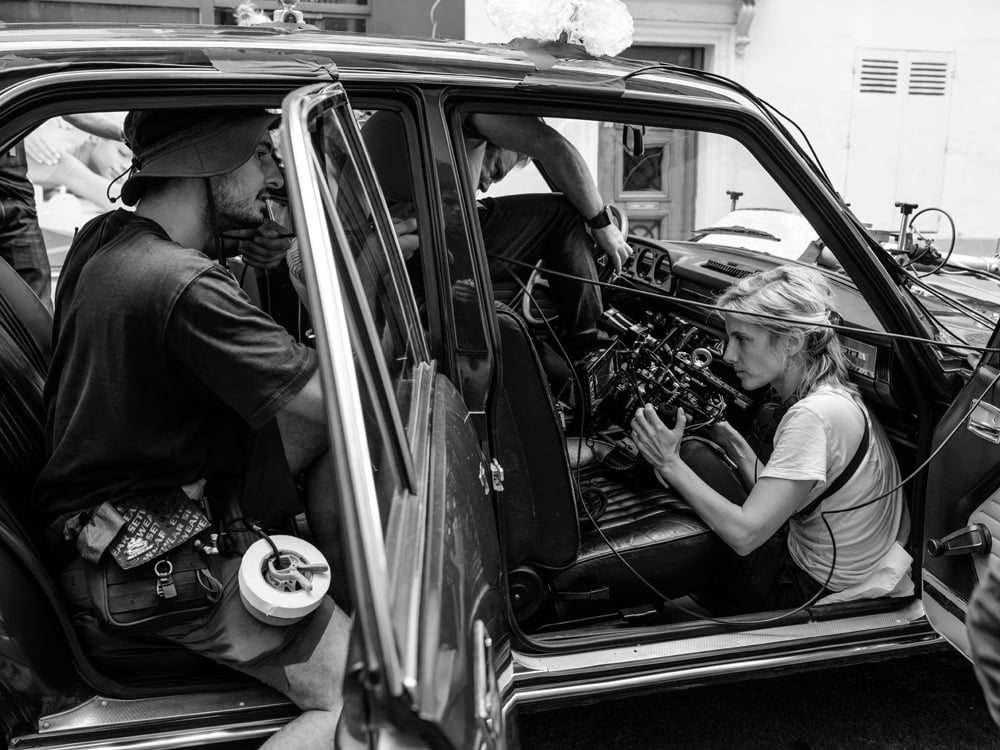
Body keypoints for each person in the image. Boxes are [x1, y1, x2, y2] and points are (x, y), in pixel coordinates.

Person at [32, 107, 349, 749]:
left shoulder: (106, 238)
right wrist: (312, 267)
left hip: (98, 518)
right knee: (374, 697)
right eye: (259, 154)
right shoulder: (184, 283)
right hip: (144, 557)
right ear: (208, 161)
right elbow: (338, 399)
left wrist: (238, 254)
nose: (273, 174)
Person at [630, 265, 909, 614]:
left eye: (743, 339)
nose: (729, 355)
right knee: (709, 453)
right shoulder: (833, 396)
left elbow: (746, 537)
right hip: (842, 569)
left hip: (805, 589)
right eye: (729, 338)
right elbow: (787, 495)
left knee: (692, 457)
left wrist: (667, 462)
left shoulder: (812, 417)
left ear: (792, 341)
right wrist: (732, 441)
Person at [362, 109, 631, 358]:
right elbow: (552, 146)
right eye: (497, 171)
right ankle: (588, 354)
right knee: (564, 216)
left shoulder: (427, 135)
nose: (487, 185)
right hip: (407, 250)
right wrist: (602, 223)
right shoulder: (465, 103)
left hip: (398, 252)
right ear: (495, 138)